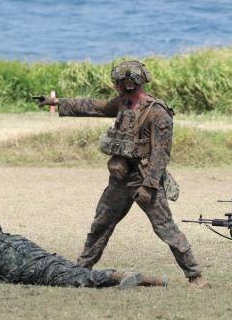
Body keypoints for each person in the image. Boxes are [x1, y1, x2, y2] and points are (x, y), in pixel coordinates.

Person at [37, 60, 206, 288]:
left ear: (129, 84)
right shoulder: (123, 105)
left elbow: (161, 154)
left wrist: (148, 186)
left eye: (119, 83)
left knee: (165, 228)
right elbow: (93, 106)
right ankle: (80, 271)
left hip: (144, 180)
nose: (116, 86)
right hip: (119, 181)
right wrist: (57, 102)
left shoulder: (158, 113)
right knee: (101, 224)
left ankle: (195, 276)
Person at [0, 215, 167, 288]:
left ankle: (125, 275)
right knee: (83, 274)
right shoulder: (13, 238)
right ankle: (156, 281)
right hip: (50, 260)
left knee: (87, 278)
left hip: (42, 271)